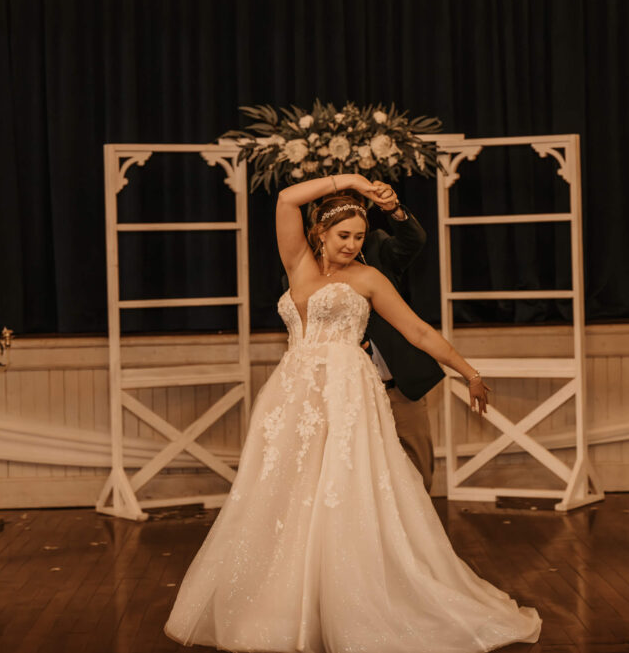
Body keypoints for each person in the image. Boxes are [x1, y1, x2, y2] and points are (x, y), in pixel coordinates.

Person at [164, 173, 541, 652]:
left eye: (360, 237)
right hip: (294, 391)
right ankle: (286, 604)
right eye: (344, 235)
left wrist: (468, 372)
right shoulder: (297, 262)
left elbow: (418, 332)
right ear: (320, 232)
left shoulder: (368, 277)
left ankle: (358, 600)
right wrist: (352, 182)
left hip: (347, 387)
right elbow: (285, 198)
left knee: (343, 489)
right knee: (285, 490)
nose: (352, 244)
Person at [361, 182, 444, 492]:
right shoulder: (304, 269)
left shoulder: (376, 247)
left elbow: (414, 240)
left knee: (419, 471)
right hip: (347, 392)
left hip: (399, 385)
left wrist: (393, 209)